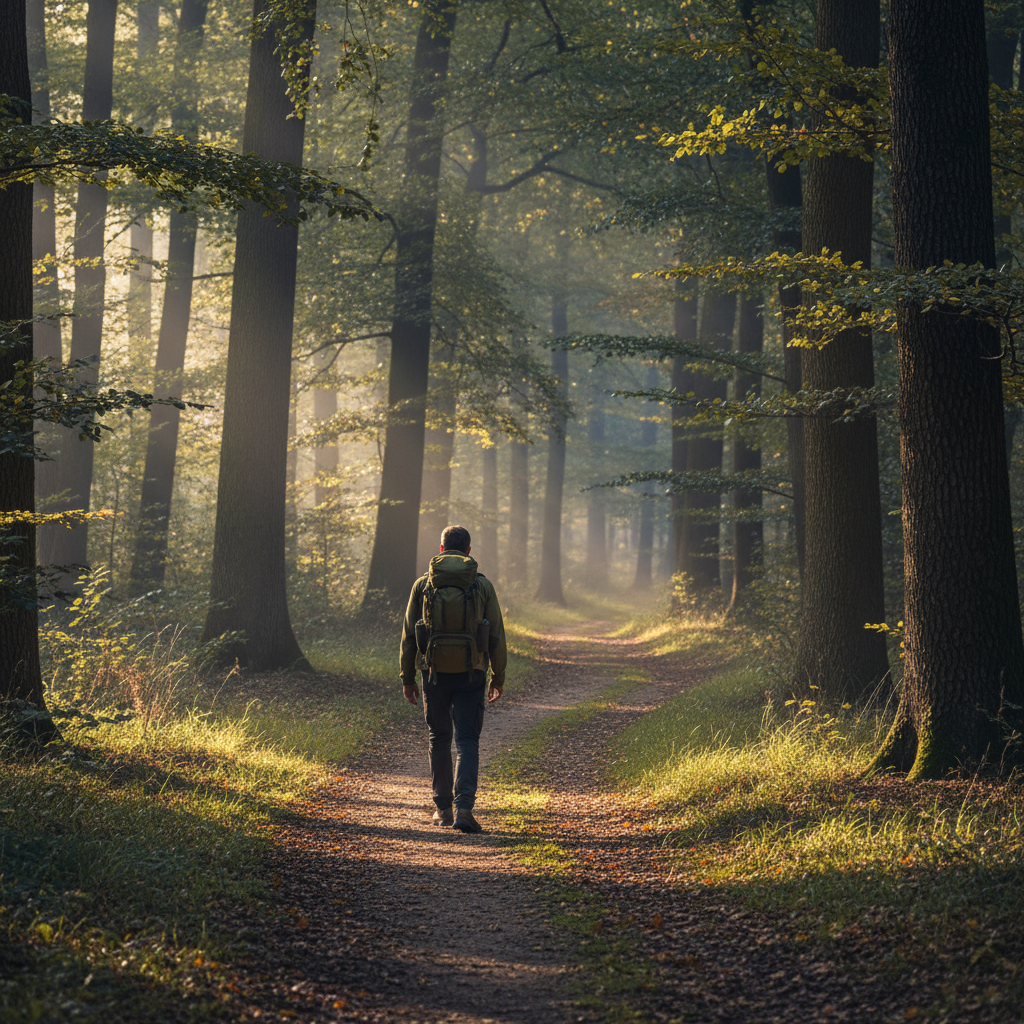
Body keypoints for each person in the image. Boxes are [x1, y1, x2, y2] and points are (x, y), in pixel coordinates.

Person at [400, 524, 507, 833]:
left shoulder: (423, 585)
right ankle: (464, 810)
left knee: (439, 738)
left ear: (441, 549)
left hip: (432, 673)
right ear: (469, 551)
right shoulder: (482, 585)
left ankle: (443, 810)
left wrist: (407, 677)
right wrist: (497, 678)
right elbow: (497, 635)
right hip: (472, 672)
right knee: (467, 740)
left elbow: (409, 636)